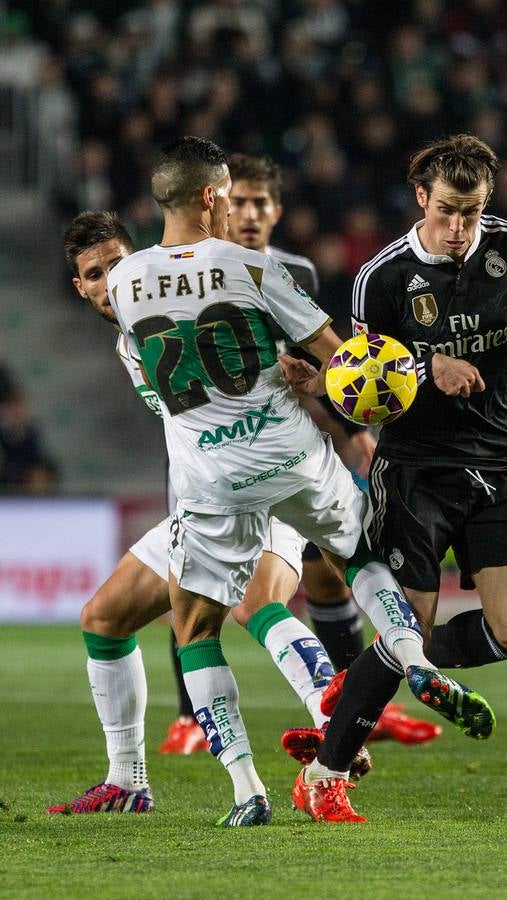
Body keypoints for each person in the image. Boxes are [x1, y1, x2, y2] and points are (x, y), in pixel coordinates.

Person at [108, 136, 495, 824]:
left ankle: (245, 792)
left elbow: (152, 385)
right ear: (208, 197)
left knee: (195, 630)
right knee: (363, 558)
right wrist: (387, 375)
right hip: (290, 454)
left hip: (207, 477)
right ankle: (416, 663)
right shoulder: (250, 267)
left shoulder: (122, 282)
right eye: (227, 192)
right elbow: (342, 357)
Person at [301, 132, 507, 809]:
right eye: (446, 211)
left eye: (472, 211)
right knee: (409, 615)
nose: (460, 227)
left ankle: (375, 673)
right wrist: (423, 368)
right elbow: (353, 383)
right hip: (415, 466)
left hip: (498, 458)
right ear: (420, 199)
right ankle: (326, 774)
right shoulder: (381, 277)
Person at [47, 211, 346, 822]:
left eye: (115, 265)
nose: (108, 282)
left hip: (265, 485)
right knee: (103, 619)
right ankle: (127, 779)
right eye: (93, 275)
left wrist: (304, 373)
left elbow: (291, 348)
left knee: (252, 605)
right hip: (202, 501)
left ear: (143, 262)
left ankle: (330, 718)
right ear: (79, 287)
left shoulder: (197, 294)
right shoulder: (133, 336)